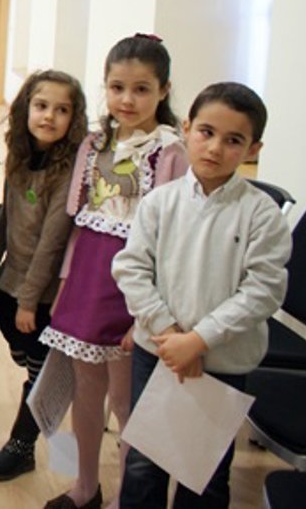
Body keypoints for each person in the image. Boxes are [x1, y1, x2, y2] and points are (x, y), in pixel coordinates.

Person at [113, 82, 290, 509]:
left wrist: (199, 340)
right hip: (157, 351)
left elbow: (263, 290)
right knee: (143, 463)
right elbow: (131, 269)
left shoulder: (262, 213)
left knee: (204, 473)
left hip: (222, 361)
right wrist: (170, 333)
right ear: (187, 128)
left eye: (233, 140)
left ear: (253, 148)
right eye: (206, 132)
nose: (214, 148)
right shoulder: (159, 202)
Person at [39, 34, 188, 509]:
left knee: (127, 402)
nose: (127, 100)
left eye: (141, 89)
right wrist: (65, 285)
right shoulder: (94, 144)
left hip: (135, 287)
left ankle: (130, 496)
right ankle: (86, 486)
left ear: (164, 90)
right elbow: (80, 223)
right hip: (87, 278)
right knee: (86, 391)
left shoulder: (171, 152)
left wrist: (146, 315)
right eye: (117, 87)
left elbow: (172, 244)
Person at [0, 70, 88, 481]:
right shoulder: (21, 155)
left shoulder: (68, 170)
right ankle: (37, 400)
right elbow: (7, 215)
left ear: (73, 118)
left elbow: (52, 241)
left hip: (41, 294)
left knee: (39, 373)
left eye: (62, 110)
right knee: (21, 355)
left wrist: (29, 301)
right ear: (26, 108)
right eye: (42, 106)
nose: (49, 117)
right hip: (9, 281)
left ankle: (21, 446)